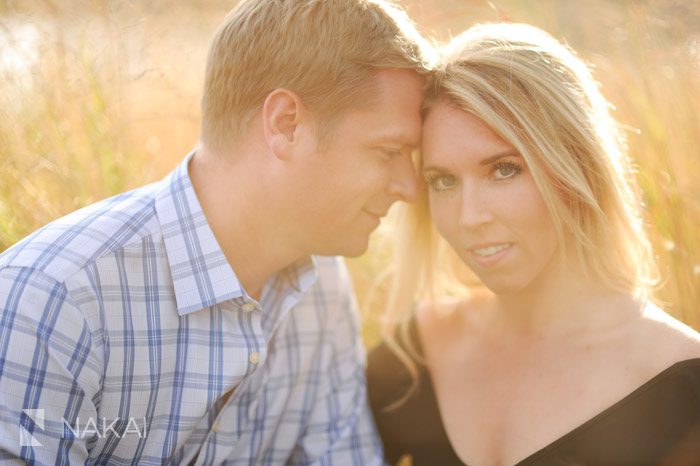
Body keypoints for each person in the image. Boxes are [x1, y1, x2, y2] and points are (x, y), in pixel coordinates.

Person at [0, 0, 433, 464]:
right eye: (388, 151)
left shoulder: (323, 289)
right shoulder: (52, 303)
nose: (409, 187)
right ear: (287, 124)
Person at [368, 22, 700, 466]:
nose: (469, 217)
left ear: (576, 165)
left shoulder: (682, 384)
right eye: (443, 180)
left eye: (503, 170)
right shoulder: (413, 355)